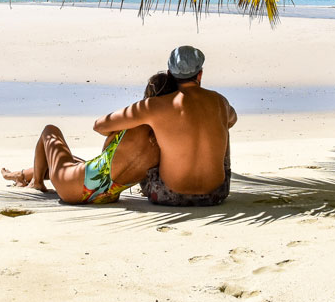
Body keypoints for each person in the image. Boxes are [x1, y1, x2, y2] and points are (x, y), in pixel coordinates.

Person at [94, 45, 236, 207]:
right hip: (217, 194)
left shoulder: (155, 106)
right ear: (200, 74)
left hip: (168, 194)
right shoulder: (219, 101)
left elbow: (100, 126)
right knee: (222, 122)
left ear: (169, 74)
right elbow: (232, 120)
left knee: (152, 126)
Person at [0, 72, 172, 204]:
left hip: (73, 190)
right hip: (108, 196)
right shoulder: (166, 140)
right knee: (73, 161)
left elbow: (100, 131)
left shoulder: (135, 125)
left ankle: (36, 183)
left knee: (50, 131)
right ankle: (20, 175)